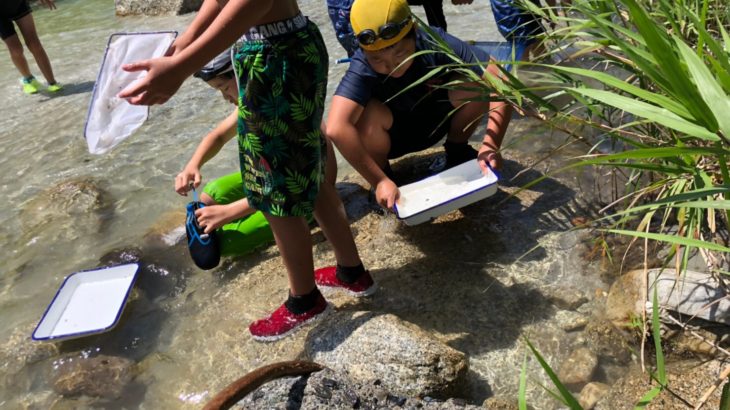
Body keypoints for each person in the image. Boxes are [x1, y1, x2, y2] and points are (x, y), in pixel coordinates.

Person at [120, 0, 374, 342]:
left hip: (273, 58)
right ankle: (351, 272)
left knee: (271, 189)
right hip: (288, 46)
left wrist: (181, 66)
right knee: (309, 172)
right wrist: (186, 41)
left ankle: (304, 300)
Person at [326, 0, 513, 210]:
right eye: (378, 60)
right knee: (364, 115)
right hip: (392, 139)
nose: (391, 66)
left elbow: (500, 79)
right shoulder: (362, 65)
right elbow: (336, 127)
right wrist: (378, 180)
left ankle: (457, 149)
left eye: (400, 54)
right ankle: (385, 176)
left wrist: (491, 143)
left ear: (414, 31)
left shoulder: (433, 40)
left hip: (434, 122)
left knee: (475, 84)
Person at [1, 0, 62, 94]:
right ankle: (28, 79)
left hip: (17, 4)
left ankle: (52, 83)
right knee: (16, 49)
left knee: (34, 44)